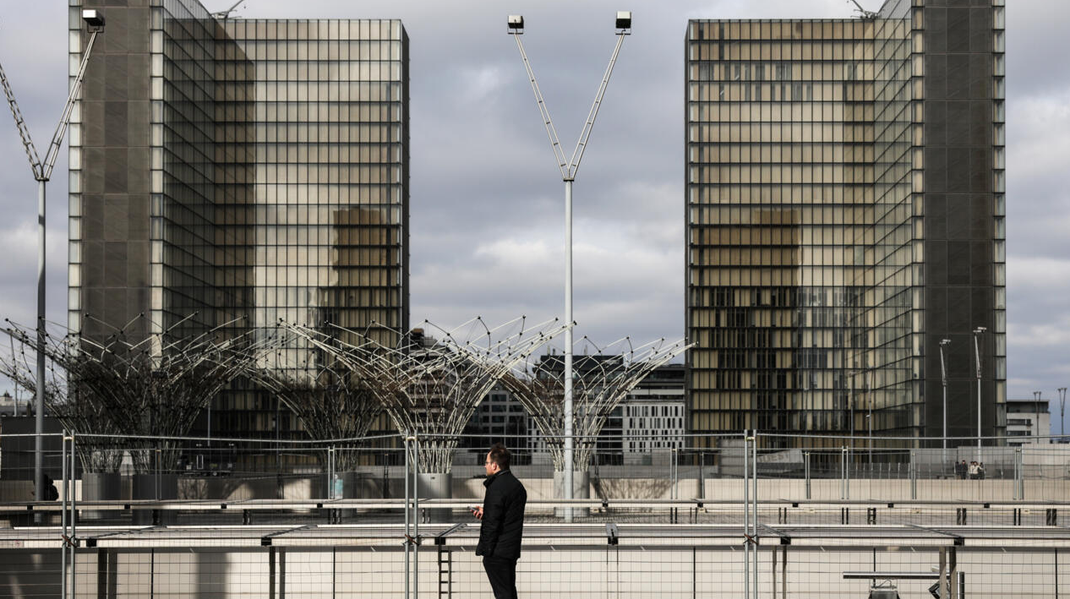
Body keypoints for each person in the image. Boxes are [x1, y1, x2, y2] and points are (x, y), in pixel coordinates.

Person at [472, 443, 526, 599]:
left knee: (503, 594)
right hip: (510, 549)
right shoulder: (516, 485)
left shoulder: (496, 487)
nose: (485, 466)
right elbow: (506, 515)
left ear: (495, 465)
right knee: (508, 591)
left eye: (487, 463)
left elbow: (492, 524)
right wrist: (486, 512)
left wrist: (486, 551)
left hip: (497, 551)